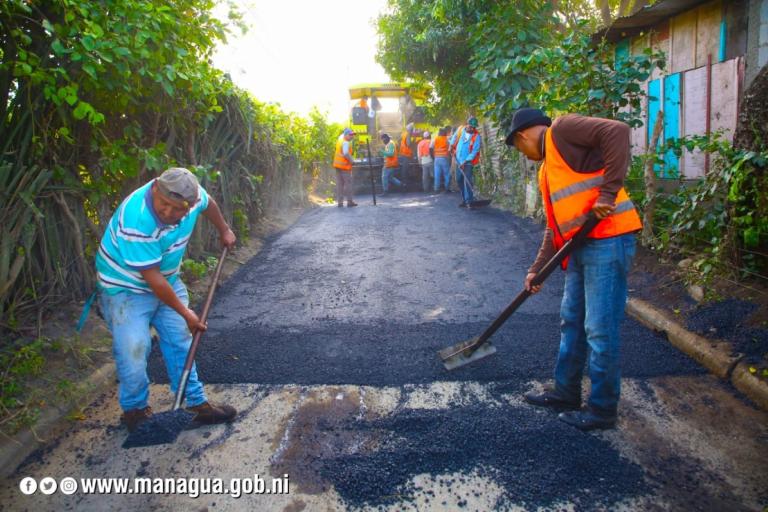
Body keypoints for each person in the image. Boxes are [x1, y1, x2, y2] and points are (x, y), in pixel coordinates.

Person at [505, 108, 642, 431]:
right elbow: (555, 229)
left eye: (519, 148)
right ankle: (565, 393)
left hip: (608, 239)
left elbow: (618, 131)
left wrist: (608, 193)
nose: (524, 155)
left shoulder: (562, 130)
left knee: (599, 328)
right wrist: (536, 269)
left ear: (522, 136)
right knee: (572, 321)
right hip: (580, 245)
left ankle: (602, 410)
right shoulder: (548, 170)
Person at [95, 167, 238, 433]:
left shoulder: (193, 197)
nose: (169, 213)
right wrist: (186, 312)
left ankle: (196, 404)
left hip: (167, 281)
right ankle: (135, 412)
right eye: (164, 205)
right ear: (154, 191)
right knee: (134, 349)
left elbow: (209, 204)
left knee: (181, 341)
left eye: (178, 210)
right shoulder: (136, 219)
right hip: (125, 288)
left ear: (190, 204)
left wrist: (224, 230)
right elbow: (152, 280)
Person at [454, 116, 482, 208]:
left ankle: (469, 201)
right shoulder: (461, 131)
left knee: (467, 180)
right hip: (458, 160)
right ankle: (464, 199)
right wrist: (450, 145)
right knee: (459, 180)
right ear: (467, 124)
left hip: (468, 162)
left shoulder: (476, 137)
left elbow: (475, 151)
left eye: (473, 127)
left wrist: (465, 161)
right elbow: (454, 137)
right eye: (470, 126)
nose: (471, 129)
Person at [333, 128, 358, 208]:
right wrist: (352, 161)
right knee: (348, 184)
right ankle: (349, 202)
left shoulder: (340, 138)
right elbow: (346, 153)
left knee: (340, 184)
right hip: (344, 166)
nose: (352, 136)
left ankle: (340, 202)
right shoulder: (346, 142)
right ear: (346, 135)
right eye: (350, 135)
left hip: (337, 165)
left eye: (353, 135)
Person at [432, 127, 452, 192]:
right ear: (444, 132)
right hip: (444, 158)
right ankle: (447, 188)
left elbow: (430, 148)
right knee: (446, 174)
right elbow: (450, 148)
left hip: (436, 158)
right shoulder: (446, 139)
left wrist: (433, 157)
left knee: (437, 174)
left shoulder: (435, 139)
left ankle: (436, 189)